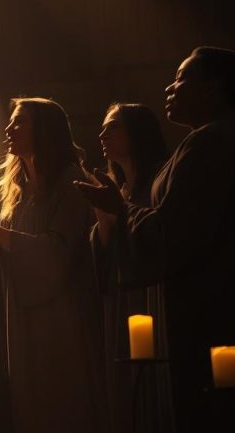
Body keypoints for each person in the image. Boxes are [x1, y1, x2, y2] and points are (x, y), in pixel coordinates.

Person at [76, 46, 235, 431]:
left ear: (213, 89)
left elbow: (172, 233)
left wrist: (120, 207)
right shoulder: (205, 141)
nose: (170, 88)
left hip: (207, 309)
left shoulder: (209, 143)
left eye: (181, 79)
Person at [0, 97, 108, 433]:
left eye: (20, 122)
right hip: (19, 316)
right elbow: (2, 261)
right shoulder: (18, 193)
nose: (8, 129)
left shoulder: (71, 183)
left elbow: (58, 255)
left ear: (45, 130)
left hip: (60, 318)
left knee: (57, 402)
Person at [92, 104, 172, 433]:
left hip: (150, 295)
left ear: (136, 133)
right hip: (121, 298)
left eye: (113, 127)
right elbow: (106, 259)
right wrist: (103, 222)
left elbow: (160, 236)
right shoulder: (119, 189)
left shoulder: (159, 181)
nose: (102, 135)